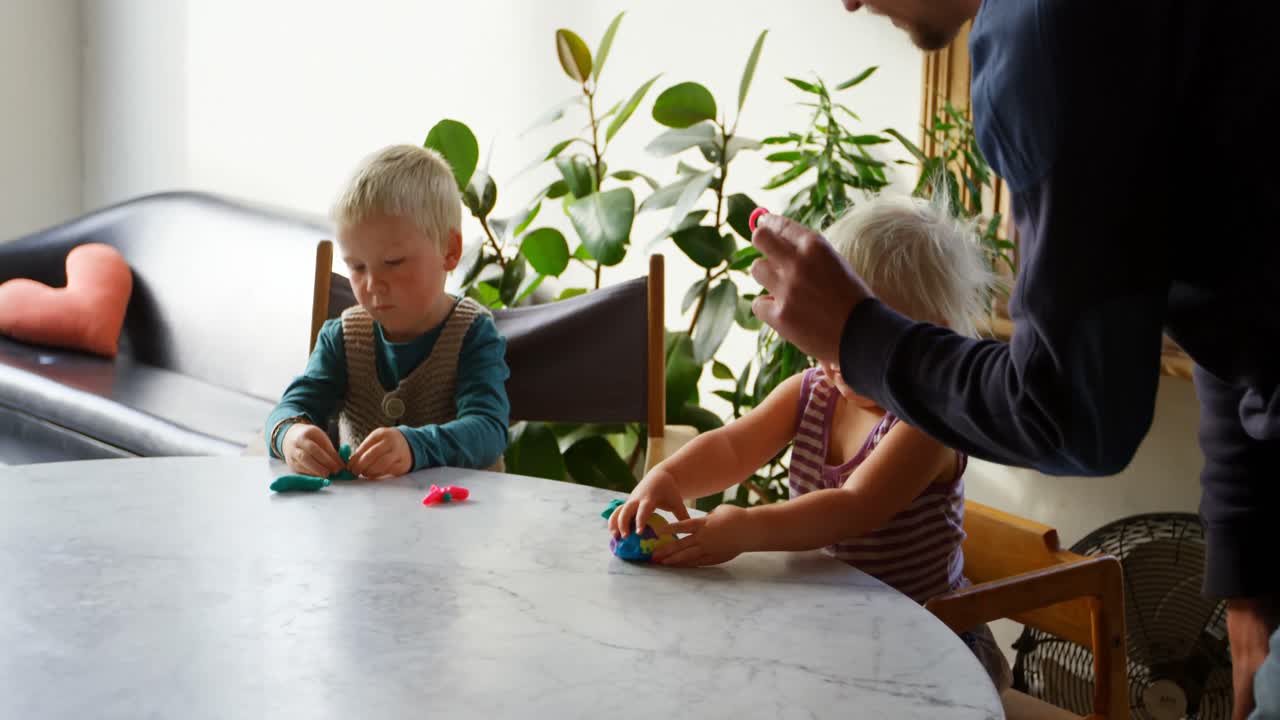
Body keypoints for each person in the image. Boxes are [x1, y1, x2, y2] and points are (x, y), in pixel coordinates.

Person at [748, 2, 1280, 716]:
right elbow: (1235, 303)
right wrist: (1246, 567)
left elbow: (1074, 418)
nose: (847, 1)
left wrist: (862, 337)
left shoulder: (1046, 26)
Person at [610, 194, 1012, 691]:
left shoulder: (926, 422)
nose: (836, 358)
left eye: (860, 339)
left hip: (936, 642)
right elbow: (734, 446)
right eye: (830, 335)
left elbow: (853, 505)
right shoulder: (814, 390)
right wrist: (667, 475)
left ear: (931, 340)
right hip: (841, 623)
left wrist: (744, 528)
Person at [265, 144, 509, 478]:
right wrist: (290, 436)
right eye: (357, 266)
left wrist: (414, 446)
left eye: (393, 263)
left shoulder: (473, 334)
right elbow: (290, 409)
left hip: (460, 522)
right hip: (367, 523)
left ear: (449, 252)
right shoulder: (342, 338)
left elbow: (488, 430)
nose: (373, 284)